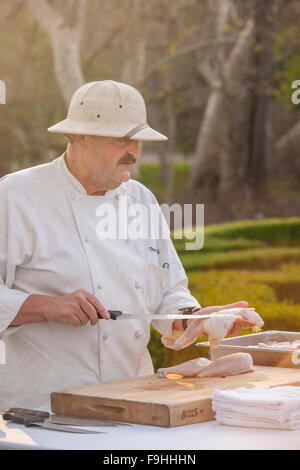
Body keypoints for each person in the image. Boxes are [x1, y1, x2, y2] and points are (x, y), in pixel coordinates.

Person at [0, 80, 248, 410]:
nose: (134, 151)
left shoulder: (141, 199)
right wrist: (44, 305)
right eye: (122, 139)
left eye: (137, 140)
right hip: (44, 409)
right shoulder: (17, 196)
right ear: (79, 137)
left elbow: (167, 290)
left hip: (133, 400)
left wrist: (191, 318)